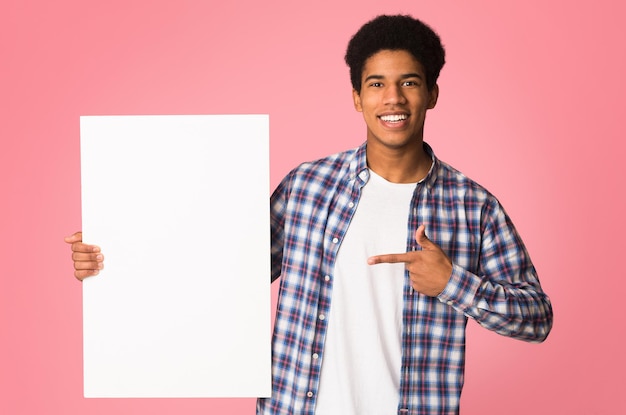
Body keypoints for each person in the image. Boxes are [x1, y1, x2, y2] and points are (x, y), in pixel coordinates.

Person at [66, 14, 553, 415]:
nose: (394, 98)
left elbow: (537, 317)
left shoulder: (473, 207)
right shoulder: (307, 187)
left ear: (431, 94)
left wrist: (452, 282)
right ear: (358, 98)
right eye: (376, 84)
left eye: (409, 82)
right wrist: (116, 256)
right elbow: (228, 270)